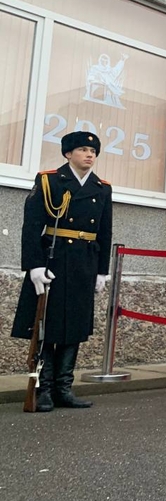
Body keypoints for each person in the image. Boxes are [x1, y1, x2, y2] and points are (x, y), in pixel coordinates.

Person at [11, 131, 113, 411]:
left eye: (93, 151)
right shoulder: (49, 181)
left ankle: (64, 388)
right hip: (54, 259)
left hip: (84, 262)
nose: (89, 155)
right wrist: (34, 265)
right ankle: (43, 389)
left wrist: (102, 270)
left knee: (75, 326)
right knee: (48, 325)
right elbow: (32, 227)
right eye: (82, 149)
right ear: (68, 154)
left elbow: (105, 231)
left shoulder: (102, 188)